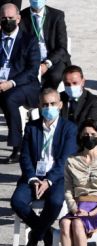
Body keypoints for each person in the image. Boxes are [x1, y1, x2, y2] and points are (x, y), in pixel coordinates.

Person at [10, 88, 77, 246]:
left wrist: (49, 181)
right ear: (39, 105)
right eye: (45, 104)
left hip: (57, 177)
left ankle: (33, 239)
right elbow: (25, 156)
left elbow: (65, 160)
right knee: (17, 201)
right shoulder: (32, 127)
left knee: (55, 202)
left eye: (53, 104)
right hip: (33, 176)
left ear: (60, 105)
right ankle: (46, 232)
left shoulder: (69, 128)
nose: (49, 107)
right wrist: (32, 178)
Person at [0, 2, 40, 164]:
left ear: (18, 18)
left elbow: (32, 70)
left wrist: (11, 83)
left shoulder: (29, 40)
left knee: (10, 98)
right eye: (3, 18)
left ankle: (18, 146)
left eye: (10, 18)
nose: (7, 21)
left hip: (24, 85)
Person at [19, 0, 69, 89]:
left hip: (52, 59)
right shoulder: (21, 16)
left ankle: (44, 97)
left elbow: (62, 47)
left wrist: (47, 63)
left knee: (55, 76)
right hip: (30, 58)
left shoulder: (57, 16)